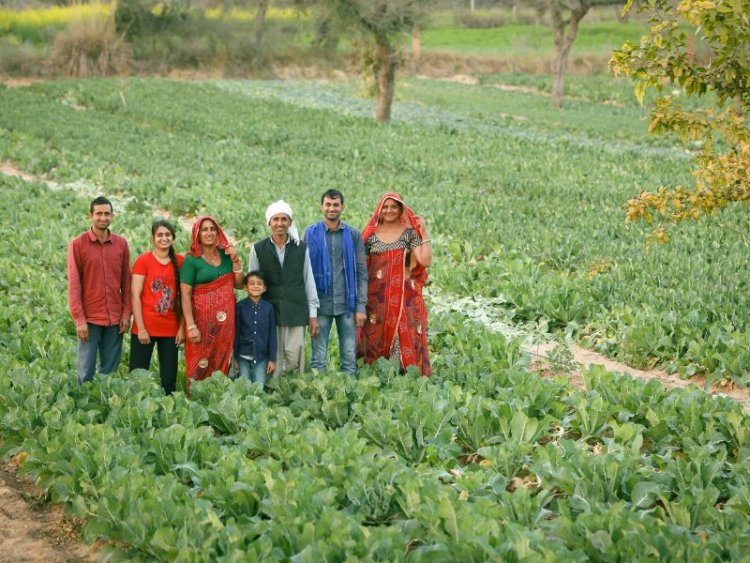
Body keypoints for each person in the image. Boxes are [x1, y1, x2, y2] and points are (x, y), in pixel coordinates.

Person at [360, 192, 433, 376]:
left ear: (401, 209)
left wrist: (424, 232)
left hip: (404, 295)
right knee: (375, 331)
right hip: (377, 297)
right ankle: (377, 371)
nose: (389, 210)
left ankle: (406, 370)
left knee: (405, 331)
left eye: (394, 206)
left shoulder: (409, 234)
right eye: (385, 207)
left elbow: (424, 259)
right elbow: (362, 267)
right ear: (379, 210)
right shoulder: (371, 236)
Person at [248, 200, 319, 376]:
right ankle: (274, 393)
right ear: (269, 223)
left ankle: (294, 392)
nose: (280, 223)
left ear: (290, 222)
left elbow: (308, 280)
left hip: (296, 310)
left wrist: (313, 315)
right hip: (269, 311)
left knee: (295, 356)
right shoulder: (258, 249)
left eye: (284, 219)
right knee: (273, 354)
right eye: (276, 219)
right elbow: (252, 282)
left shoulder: (301, 248)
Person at [67, 196, 131, 384]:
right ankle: (83, 409)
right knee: (85, 370)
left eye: (107, 214)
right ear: (91, 216)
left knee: (109, 372)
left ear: (112, 216)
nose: (103, 218)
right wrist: (79, 319)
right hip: (90, 318)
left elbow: (126, 282)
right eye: (99, 214)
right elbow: (74, 284)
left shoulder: (121, 244)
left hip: (115, 318)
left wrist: (127, 314)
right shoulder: (78, 244)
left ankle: (105, 407)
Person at [304, 189, 367, 375]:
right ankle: (319, 396)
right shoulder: (310, 233)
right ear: (321, 206)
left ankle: (348, 396)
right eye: (328, 204)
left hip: (347, 304)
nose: (332, 208)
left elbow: (361, 271)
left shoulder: (353, 235)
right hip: (320, 304)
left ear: (343, 207)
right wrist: (310, 312)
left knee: (349, 356)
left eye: (336, 205)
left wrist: (361, 307)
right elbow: (304, 272)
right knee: (318, 357)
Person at [180, 216, 244, 390]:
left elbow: (239, 284)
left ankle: (218, 398)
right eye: (204, 229)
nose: (209, 233)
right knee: (199, 361)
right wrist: (190, 326)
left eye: (212, 229)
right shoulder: (191, 260)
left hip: (225, 326)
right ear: (197, 234)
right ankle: (196, 399)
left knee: (222, 360)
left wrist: (236, 260)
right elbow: (185, 295)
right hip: (201, 325)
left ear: (218, 232)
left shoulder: (226, 255)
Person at [129, 219, 185, 395]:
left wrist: (182, 328)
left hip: (170, 329)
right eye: (160, 235)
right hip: (145, 327)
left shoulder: (181, 262)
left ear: (173, 238)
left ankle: (167, 413)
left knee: (169, 380)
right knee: (138, 377)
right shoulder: (143, 261)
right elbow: (135, 295)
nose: (164, 238)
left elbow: (185, 298)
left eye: (167, 234)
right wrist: (141, 329)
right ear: (153, 238)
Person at [234, 271, 277, 386]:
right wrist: (234, 358)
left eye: (259, 284)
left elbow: (272, 334)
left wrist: (272, 359)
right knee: (243, 386)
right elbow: (236, 333)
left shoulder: (269, 308)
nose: (256, 286)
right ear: (245, 288)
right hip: (242, 356)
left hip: (261, 358)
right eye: (251, 283)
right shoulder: (239, 307)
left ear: (264, 288)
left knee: (259, 387)